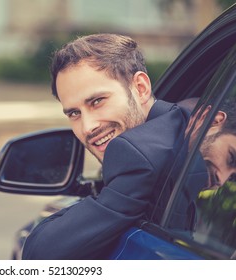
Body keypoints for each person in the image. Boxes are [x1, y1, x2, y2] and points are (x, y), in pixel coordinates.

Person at [22, 33, 194, 259]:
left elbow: (42, 252)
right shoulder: (186, 116)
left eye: (97, 101)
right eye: (74, 113)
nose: (87, 127)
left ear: (140, 88)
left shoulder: (136, 152)